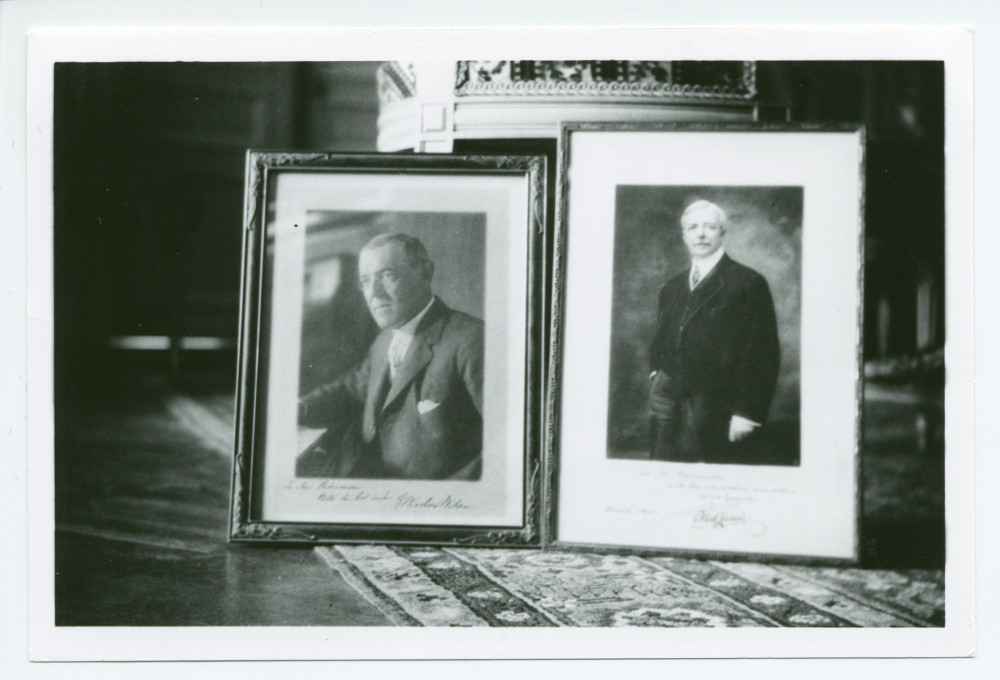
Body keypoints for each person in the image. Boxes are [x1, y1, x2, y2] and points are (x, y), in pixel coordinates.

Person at [296, 233, 484, 480]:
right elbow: (353, 389)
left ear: (425, 274)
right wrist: (299, 409)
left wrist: (447, 498)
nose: (374, 293)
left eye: (387, 275)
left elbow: (507, 444)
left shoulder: (472, 339)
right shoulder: (385, 339)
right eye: (365, 280)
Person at [648, 200, 780, 464]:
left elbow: (763, 351)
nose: (701, 234)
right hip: (666, 398)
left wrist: (748, 413)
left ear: (723, 233)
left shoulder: (748, 282)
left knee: (713, 478)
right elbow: (662, 335)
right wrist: (656, 373)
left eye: (710, 227)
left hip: (717, 404)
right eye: (693, 227)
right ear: (684, 236)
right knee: (663, 473)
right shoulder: (672, 287)